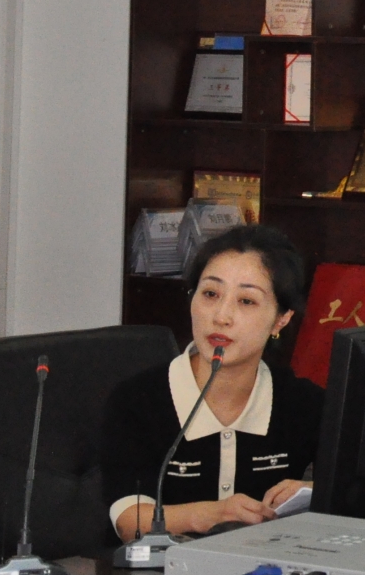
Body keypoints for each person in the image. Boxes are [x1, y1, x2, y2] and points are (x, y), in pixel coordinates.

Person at [102, 225, 324, 541]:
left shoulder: (303, 402)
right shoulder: (138, 400)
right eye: (210, 294)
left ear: (281, 319)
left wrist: (314, 491)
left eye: (246, 301)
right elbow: (129, 522)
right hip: (164, 568)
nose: (221, 316)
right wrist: (213, 515)